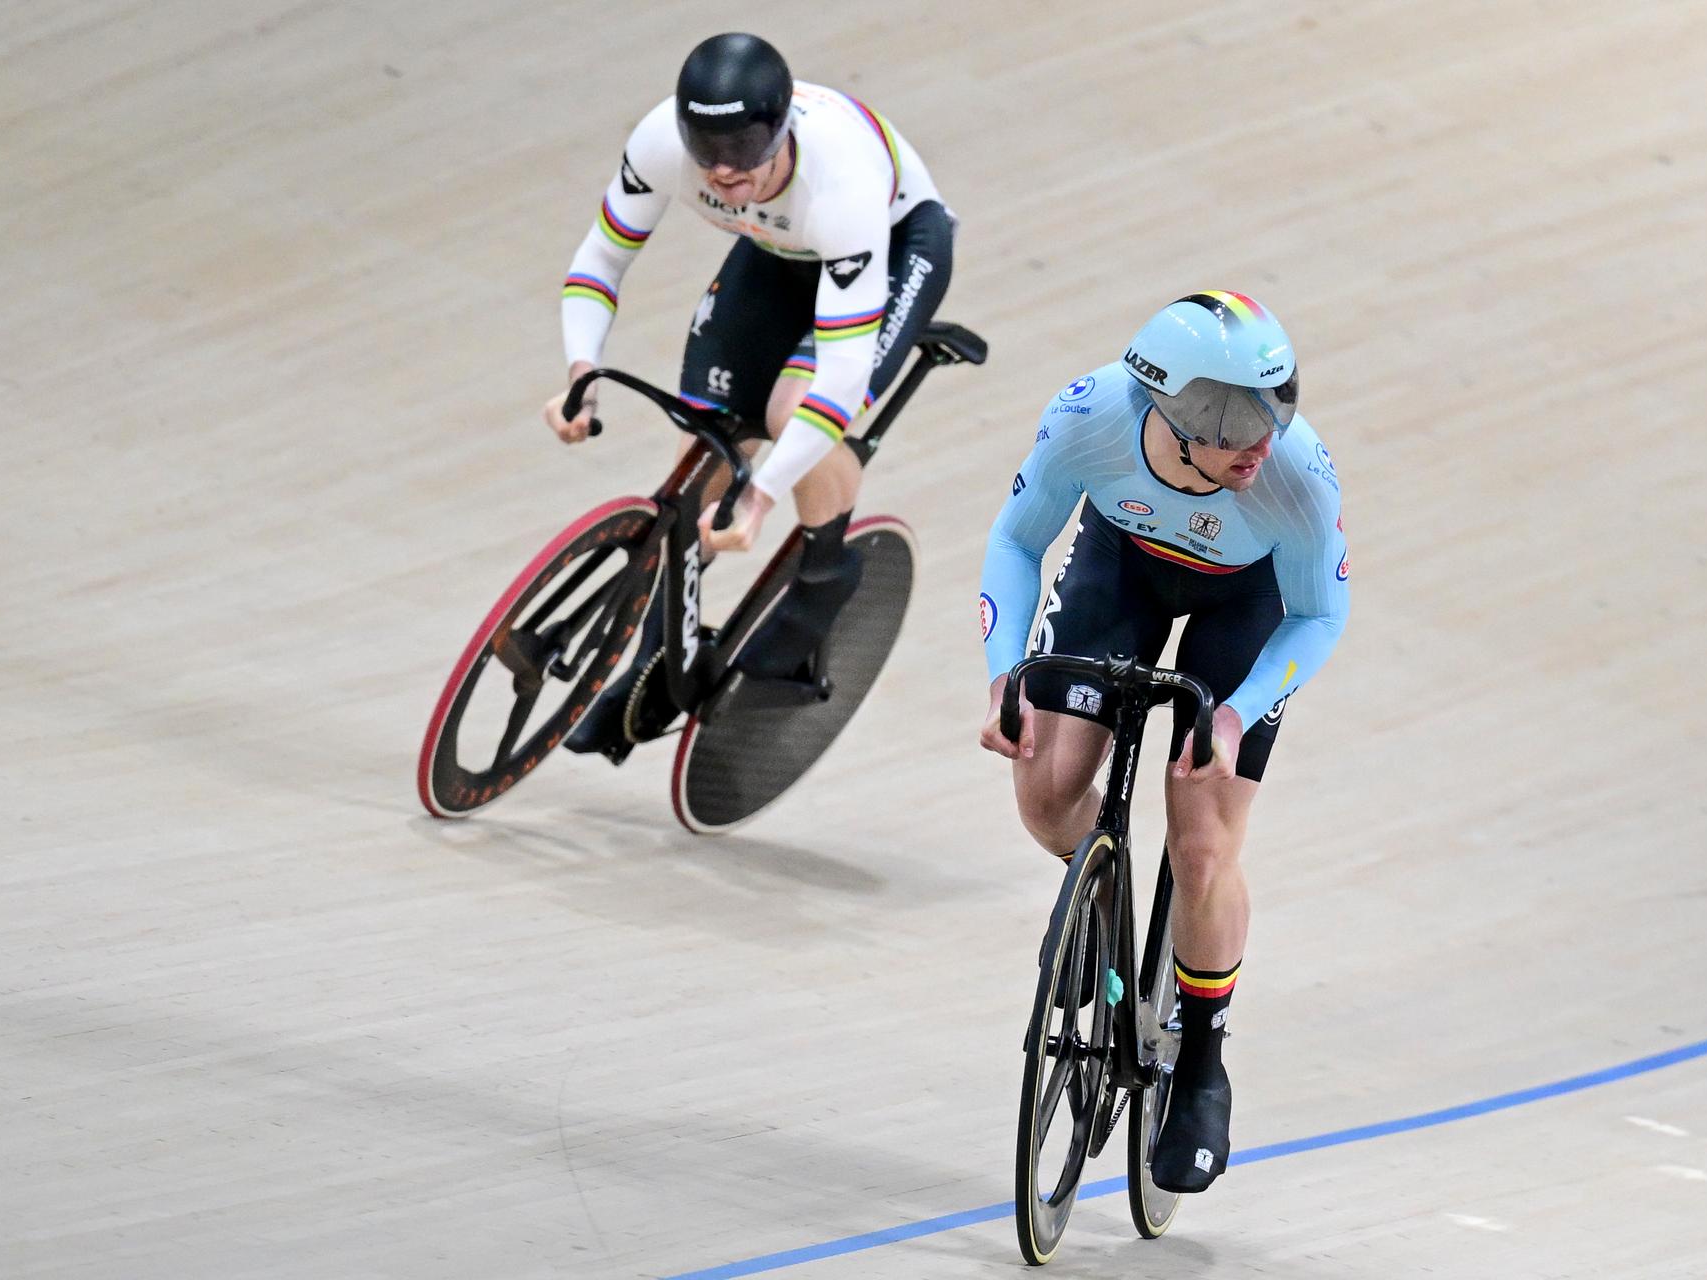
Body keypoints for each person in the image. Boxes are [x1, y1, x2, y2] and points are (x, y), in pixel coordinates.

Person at [977, 291, 1350, 1193]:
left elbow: (1318, 614)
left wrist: (1237, 711)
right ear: (1167, 409)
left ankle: (1201, 1061)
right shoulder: (1091, 415)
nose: (1260, 438)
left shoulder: (1297, 475)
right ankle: (1104, 909)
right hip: (1122, 569)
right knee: (1046, 789)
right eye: (1231, 418)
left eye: (1276, 403)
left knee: (1203, 846)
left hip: (1248, 605)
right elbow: (1017, 541)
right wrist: (1002, 673)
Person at [545, 33, 954, 753]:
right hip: (778, 249)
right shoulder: (659, 147)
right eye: (711, 153)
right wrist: (582, 372)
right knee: (700, 452)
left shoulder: (841, 183)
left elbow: (840, 378)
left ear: (785, 128)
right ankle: (653, 662)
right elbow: (600, 260)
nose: (729, 174)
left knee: (790, 412)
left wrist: (762, 496)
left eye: (748, 150)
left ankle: (826, 576)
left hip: (893, 245)